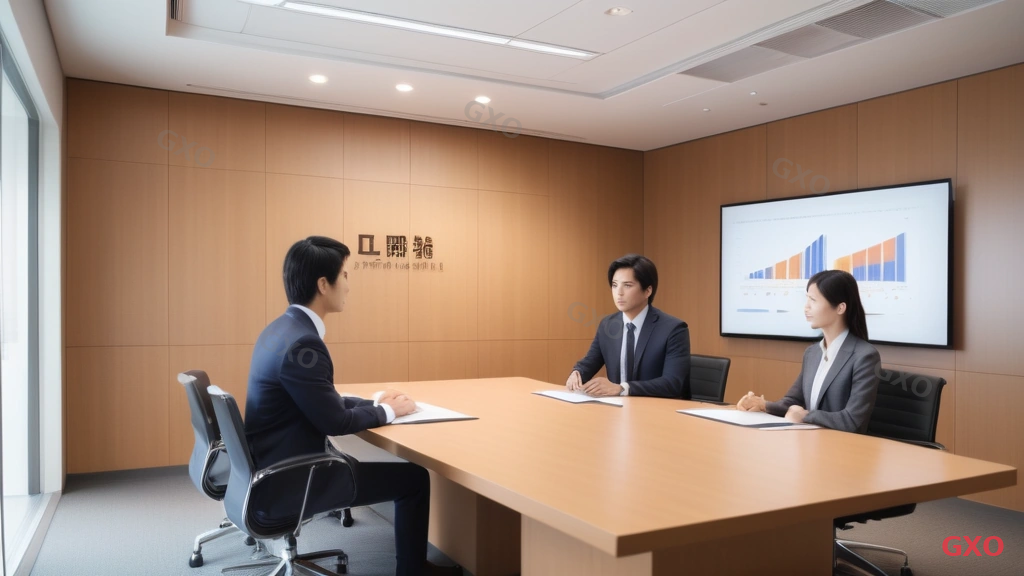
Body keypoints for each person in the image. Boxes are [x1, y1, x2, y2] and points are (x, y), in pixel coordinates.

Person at [244, 236, 458, 576]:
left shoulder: (280, 330)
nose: (349, 286)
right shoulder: (304, 342)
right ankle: (412, 571)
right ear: (323, 284)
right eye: (345, 275)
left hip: (270, 467)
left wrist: (374, 403)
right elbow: (335, 421)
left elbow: (319, 399)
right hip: (295, 479)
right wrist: (391, 412)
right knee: (414, 478)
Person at [736, 269, 881, 433]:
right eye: (807, 299)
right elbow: (792, 401)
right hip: (810, 442)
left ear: (840, 308)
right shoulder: (813, 353)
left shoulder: (864, 356)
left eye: (813, 300)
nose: (806, 307)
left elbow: (852, 420)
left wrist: (805, 416)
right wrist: (762, 404)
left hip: (841, 448)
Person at [566, 254, 691, 398]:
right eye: (614, 285)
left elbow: (672, 384)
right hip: (617, 411)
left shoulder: (673, 330)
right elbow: (590, 362)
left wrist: (623, 388)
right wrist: (577, 373)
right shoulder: (608, 325)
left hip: (656, 412)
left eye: (627, 285)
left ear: (648, 291)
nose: (619, 293)